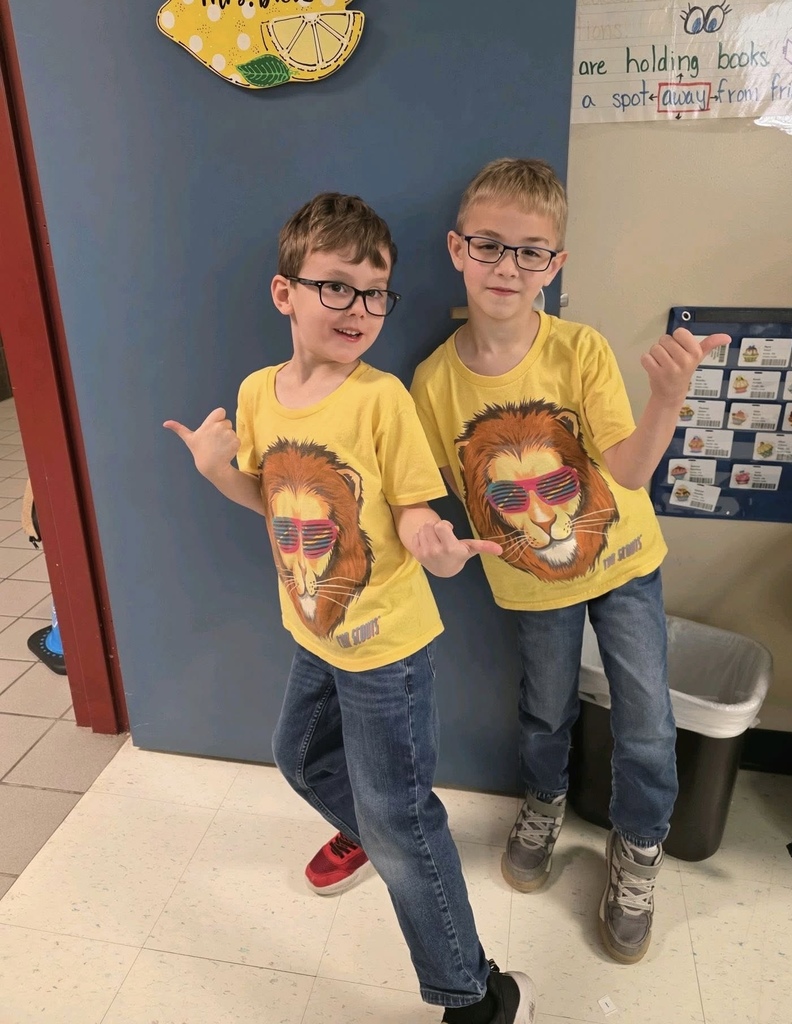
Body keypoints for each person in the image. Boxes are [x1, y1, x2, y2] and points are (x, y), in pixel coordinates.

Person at [164, 192, 537, 1022]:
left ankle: (476, 993)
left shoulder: (381, 399)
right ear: (285, 292)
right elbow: (274, 499)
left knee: (401, 818)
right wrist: (213, 469)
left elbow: (410, 509)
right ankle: (391, 840)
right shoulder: (260, 392)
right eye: (336, 287)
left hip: (386, 649)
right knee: (299, 759)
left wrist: (434, 542)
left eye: (374, 293)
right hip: (314, 628)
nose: (358, 310)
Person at [410, 159, 730, 964]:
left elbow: (624, 472)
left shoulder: (579, 349)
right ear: (457, 248)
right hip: (531, 587)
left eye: (531, 252)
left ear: (555, 265)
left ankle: (641, 849)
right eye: (489, 245)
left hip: (624, 563)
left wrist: (667, 399)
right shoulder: (431, 383)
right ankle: (545, 804)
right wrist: (428, 536)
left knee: (648, 722)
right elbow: (417, 492)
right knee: (546, 708)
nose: (507, 267)